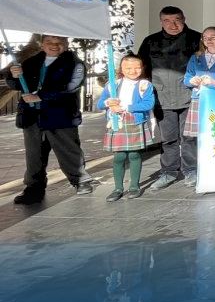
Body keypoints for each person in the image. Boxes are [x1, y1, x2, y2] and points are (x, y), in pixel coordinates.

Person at [4, 35, 95, 204]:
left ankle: (81, 180)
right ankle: (34, 188)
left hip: (61, 115)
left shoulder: (75, 64)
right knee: (34, 154)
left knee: (68, 149)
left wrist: (41, 96)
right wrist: (14, 76)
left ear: (66, 44)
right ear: (42, 44)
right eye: (49, 42)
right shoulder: (31, 62)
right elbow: (16, 84)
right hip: (32, 116)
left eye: (59, 42)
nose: (54, 45)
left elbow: (71, 87)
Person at [137, 6, 202, 192]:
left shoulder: (197, 39)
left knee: (190, 137)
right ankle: (168, 172)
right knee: (168, 139)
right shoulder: (150, 41)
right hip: (162, 97)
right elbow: (142, 67)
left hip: (190, 96)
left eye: (177, 20)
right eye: (167, 21)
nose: (173, 25)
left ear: (184, 19)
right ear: (161, 22)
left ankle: (191, 170)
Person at [96, 54, 155, 202]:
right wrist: (109, 103)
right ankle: (118, 188)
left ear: (142, 68)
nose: (133, 71)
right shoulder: (113, 85)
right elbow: (100, 104)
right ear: (121, 69)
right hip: (117, 122)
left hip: (134, 121)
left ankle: (134, 186)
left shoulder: (145, 85)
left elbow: (148, 104)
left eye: (137, 68)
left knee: (134, 155)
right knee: (119, 156)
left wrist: (125, 107)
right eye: (128, 68)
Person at [179, 26, 215, 187]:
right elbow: (187, 77)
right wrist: (192, 80)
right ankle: (191, 171)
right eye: (205, 37)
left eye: (213, 37)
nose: (208, 40)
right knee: (192, 137)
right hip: (198, 99)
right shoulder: (196, 57)